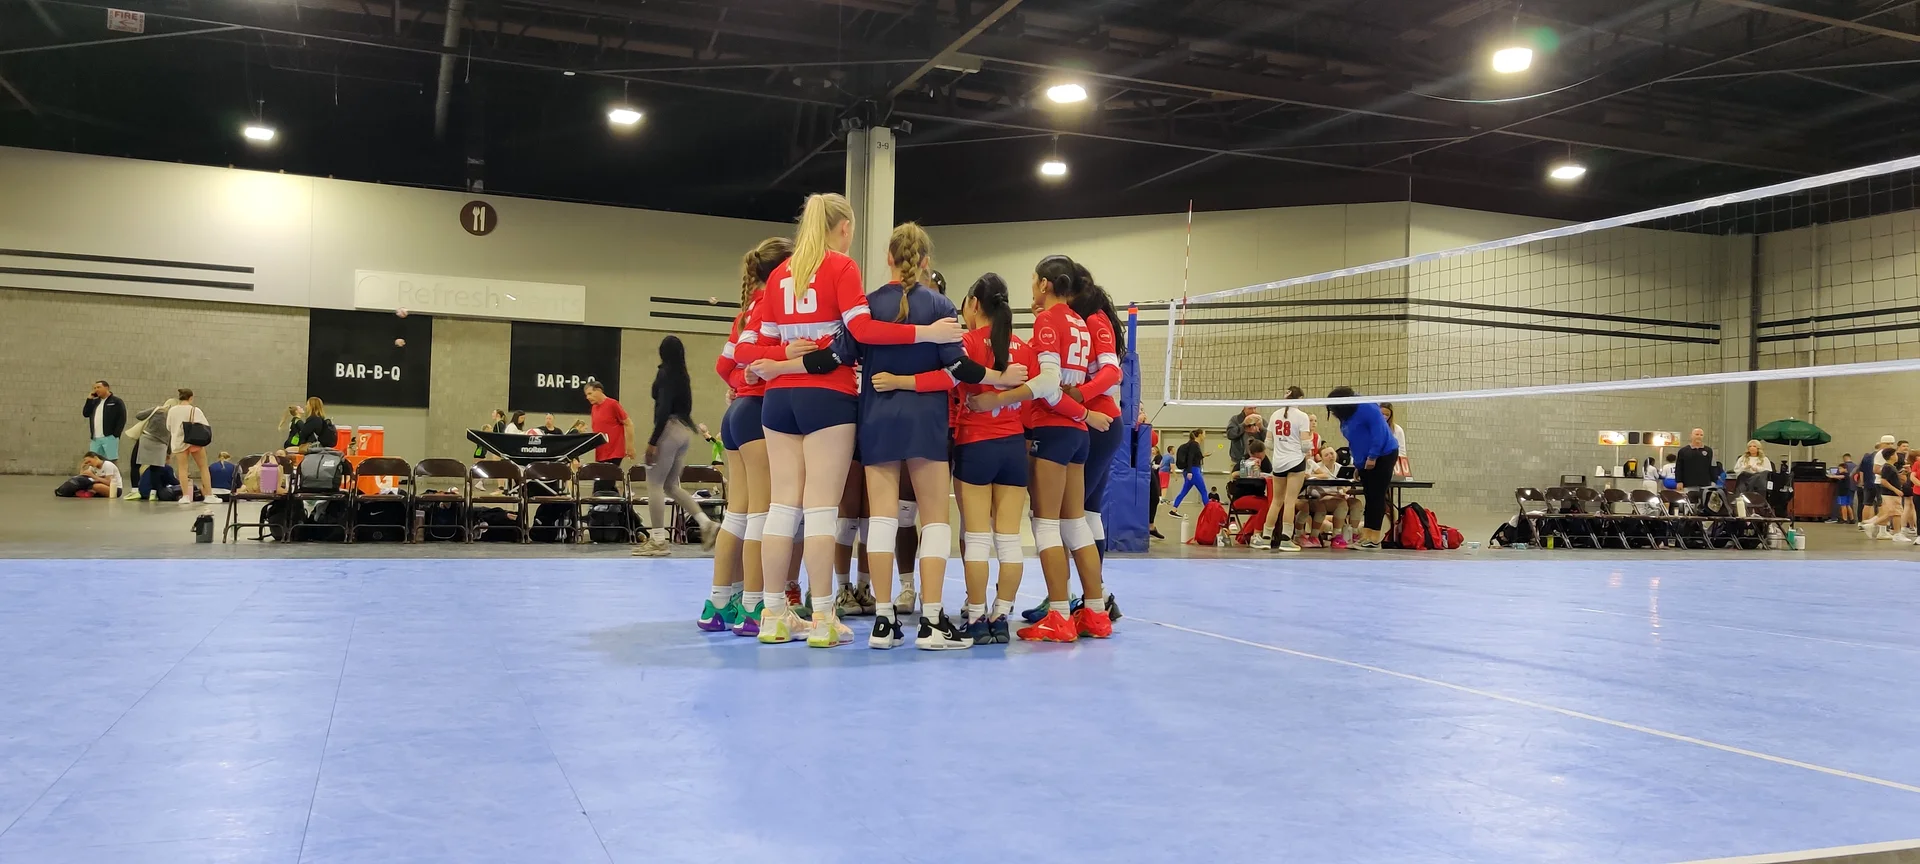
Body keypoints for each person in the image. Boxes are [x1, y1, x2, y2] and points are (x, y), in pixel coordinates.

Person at [738, 192, 962, 648]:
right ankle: (823, 617)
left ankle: (772, 614)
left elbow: (746, 350)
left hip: (778, 400)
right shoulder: (840, 267)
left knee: (782, 508)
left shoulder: (779, 275)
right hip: (827, 397)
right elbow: (861, 331)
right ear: (844, 228)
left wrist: (780, 358)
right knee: (821, 509)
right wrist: (927, 333)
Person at [858, 225, 1028, 650]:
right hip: (926, 423)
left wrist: (779, 364)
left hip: (877, 419)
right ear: (926, 262)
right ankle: (932, 621)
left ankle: (883, 621)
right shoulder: (940, 306)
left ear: (888, 258)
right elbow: (958, 370)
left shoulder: (867, 305)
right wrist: (1000, 378)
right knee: (934, 520)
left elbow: (843, 354)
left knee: (882, 519)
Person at [965, 254, 1114, 642]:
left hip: (1053, 430)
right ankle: (1096, 612)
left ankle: (1060, 615)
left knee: (1045, 525)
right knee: (1075, 523)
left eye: (1034, 281)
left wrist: (999, 398)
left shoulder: (1049, 319)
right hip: (1077, 434)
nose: (1032, 288)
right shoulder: (1081, 322)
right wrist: (1085, 413)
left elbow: (1048, 384)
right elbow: (1102, 373)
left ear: (1045, 284)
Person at [699, 236, 792, 635]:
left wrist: (738, 383)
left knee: (737, 512)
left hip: (736, 415)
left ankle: (719, 603)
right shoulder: (776, 305)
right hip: (758, 414)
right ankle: (754, 606)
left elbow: (725, 365)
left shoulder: (744, 312)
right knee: (762, 513)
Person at [635, 334, 719, 557]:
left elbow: (663, 408)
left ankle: (658, 540)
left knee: (654, 484)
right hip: (684, 431)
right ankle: (705, 523)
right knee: (670, 486)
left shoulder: (665, 373)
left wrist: (653, 441)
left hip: (669, 429)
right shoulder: (683, 375)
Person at [1066, 264, 1126, 555]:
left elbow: (1112, 373)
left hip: (1099, 424)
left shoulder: (1094, 318)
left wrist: (1080, 394)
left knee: (1072, 512)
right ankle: (1094, 583)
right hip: (1093, 422)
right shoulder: (1078, 319)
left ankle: (1076, 583)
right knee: (1088, 512)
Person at [1326, 386, 1395, 550]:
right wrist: (1358, 465)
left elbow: (1379, 433)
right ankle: (1366, 536)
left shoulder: (1367, 407)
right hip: (1364, 459)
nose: (1333, 413)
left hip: (1384, 454)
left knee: (1377, 496)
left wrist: (1373, 456)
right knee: (1369, 496)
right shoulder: (1346, 416)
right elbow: (1355, 441)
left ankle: (1374, 538)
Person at [1262, 386, 1313, 552]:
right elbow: (1306, 445)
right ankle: (1285, 539)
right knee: (1290, 501)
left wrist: (1281, 447)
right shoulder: (1302, 416)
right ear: (1300, 399)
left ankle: (1265, 538)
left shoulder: (1275, 415)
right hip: (1295, 462)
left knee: (1276, 501)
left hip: (1278, 463)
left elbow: (1268, 443)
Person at [166, 388, 220, 506]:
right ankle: (209, 495)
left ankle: (185, 496)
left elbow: (168, 427)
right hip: (194, 442)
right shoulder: (195, 410)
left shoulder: (172, 410)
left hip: (178, 442)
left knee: (182, 469)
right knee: (203, 467)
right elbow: (205, 426)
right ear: (191, 398)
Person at [583, 381, 635, 484]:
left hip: (613, 452)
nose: (587, 397)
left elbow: (628, 423)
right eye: (586, 395)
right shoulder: (594, 408)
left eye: (590, 393)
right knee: (607, 484)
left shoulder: (612, 404)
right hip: (601, 452)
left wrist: (630, 446)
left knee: (602, 484)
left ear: (599, 390)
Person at [127, 399, 177, 500]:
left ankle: (135, 491)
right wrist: (168, 451)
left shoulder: (158, 410)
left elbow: (139, 415)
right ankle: (153, 494)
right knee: (156, 469)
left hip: (147, 439)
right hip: (162, 444)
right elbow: (171, 435)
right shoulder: (175, 418)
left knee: (135, 464)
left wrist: (154, 409)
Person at [1230, 438, 1274, 546]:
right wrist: (1246, 471)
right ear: (1251, 454)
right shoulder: (1244, 460)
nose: (1259, 458)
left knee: (1272, 505)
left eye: (1261, 456)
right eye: (1257, 456)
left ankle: (1265, 533)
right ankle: (1256, 535)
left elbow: (1269, 472)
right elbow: (1233, 474)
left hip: (1257, 496)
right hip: (1241, 497)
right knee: (1265, 506)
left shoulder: (1266, 463)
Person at [1865, 444, 1907, 540]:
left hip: (1890, 494)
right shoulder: (1888, 467)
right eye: (1895, 454)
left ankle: (1873, 524)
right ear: (1891, 456)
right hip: (1891, 494)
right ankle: (1896, 533)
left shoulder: (1890, 467)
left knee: (1891, 513)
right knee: (1896, 513)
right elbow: (1883, 481)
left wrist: (1901, 474)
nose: (1897, 456)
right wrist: (1896, 490)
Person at [83, 380, 126, 462]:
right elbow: (86, 413)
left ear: (107, 388)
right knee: (93, 460)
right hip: (95, 438)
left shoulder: (116, 401)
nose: (96, 390)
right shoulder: (94, 402)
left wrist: (116, 434)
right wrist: (89, 400)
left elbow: (122, 418)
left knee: (111, 460)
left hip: (110, 437)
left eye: (98, 387)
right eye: (95, 388)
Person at [1171, 429, 1207, 509]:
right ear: (1200, 435)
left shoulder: (1191, 445)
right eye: (1204, 434)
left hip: (1188, 470)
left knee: (1184, 491)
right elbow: (1190, 458)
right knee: (1203, 491)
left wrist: (1203, 456)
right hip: (1194, 471)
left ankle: (1174, 508)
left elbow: (1194, 457)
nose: (1205, 436)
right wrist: (1190, 471)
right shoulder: (1194, 444)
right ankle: (1209, 510)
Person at [1675, 428, 1715, 494]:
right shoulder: (1683, 451)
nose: (1699, 436)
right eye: (1697, 434)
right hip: (1688, 484)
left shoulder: (1709, 450)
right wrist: (1679, 481)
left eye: (1701, 435)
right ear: (1691, 435)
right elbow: (1679, 467)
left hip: (1705, 484)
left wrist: (1713, 481)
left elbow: (1712, 466)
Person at [1381, 402, 1410, 477]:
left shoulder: (1398, 430)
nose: (1384, 416)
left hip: (1392, 465)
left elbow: (1402, 452)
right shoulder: (1372, 428)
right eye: (1382, 414)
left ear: (1391, 415)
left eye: (1387, 414)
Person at [1834, 453, 1856, 523]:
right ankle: (1852, 519)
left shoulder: (1844, 474)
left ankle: (1844, 519)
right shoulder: (1855, 466)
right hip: (1851, 488)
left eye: (1840, 468)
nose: (1839, 470)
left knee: (1843, 505)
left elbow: (1837, 476)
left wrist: (1830, 476)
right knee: (1849, 505)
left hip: (1843, 492)